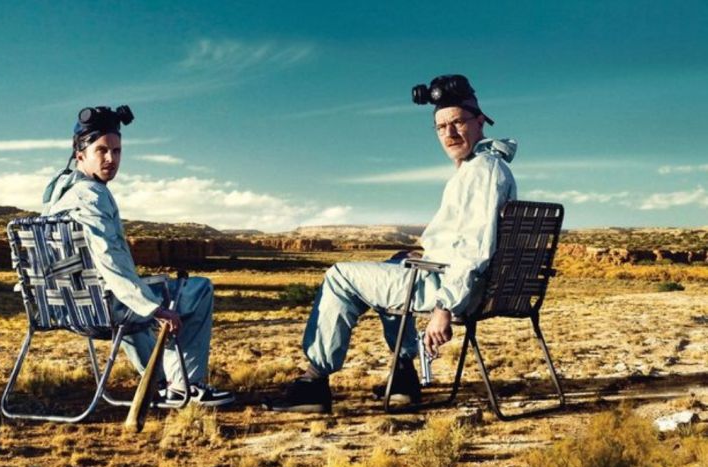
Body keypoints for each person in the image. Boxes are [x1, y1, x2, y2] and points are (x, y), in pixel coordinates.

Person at [267, 75, 517, 413]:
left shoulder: (481, 171)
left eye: (457, 122)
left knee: (341, 276)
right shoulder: (482, 167)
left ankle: (314, 382)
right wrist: (420, 255)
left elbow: (473, 250)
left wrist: (443, 309)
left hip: (453, 290)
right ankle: (403, 379)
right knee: (394, 268)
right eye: (441, 127)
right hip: (451, 281)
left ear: (479, 120)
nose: (449, 134)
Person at [42, 105, 234, 407]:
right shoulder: (92, 195)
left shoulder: (58, 193)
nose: (111, 159)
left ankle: (159, 382)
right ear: (80, 155)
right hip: (104, 311)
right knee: (199, 289)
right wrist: (154, 308)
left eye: (117, 151)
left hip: (69, 309)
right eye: (102, 150)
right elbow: (110, 259)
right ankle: (186, 385)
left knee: (130, 294)